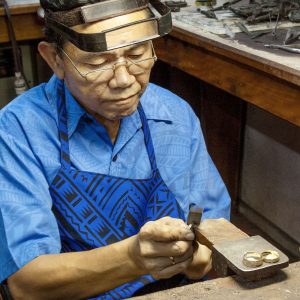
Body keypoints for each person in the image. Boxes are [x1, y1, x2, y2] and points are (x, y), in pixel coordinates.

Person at [0, 0, 230, 299]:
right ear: (54, 59)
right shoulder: (18, 130)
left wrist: (202, 254)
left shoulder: (174, 116)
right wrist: (133, 258)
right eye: (97, 63)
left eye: (136, 53)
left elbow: (212, 221)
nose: (124, 81)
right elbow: (26, 284)